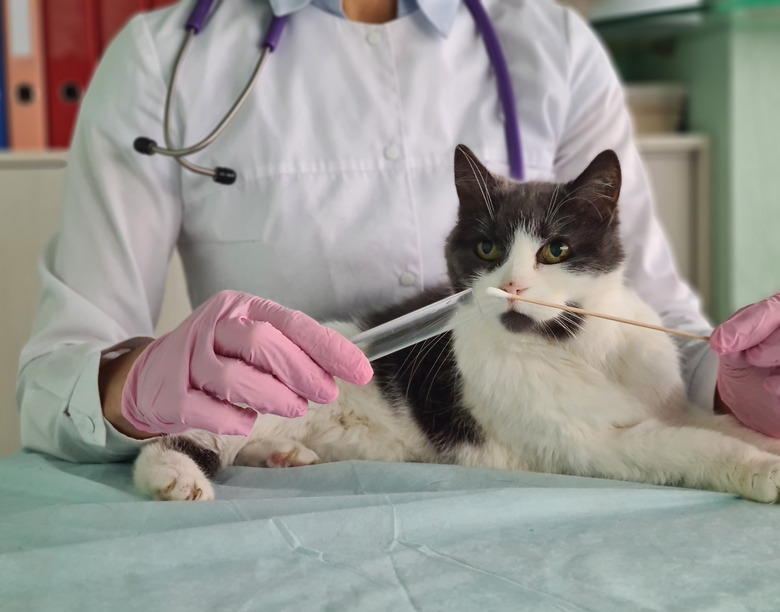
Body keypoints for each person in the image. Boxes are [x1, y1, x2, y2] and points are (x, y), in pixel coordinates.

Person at [16, 0, 780, 464]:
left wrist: (734, 381)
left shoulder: (555, 51)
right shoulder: (165, 61)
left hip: (527, 485)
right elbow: (56, 375)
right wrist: (131, 383)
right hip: (281, 479)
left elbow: (644, 317)